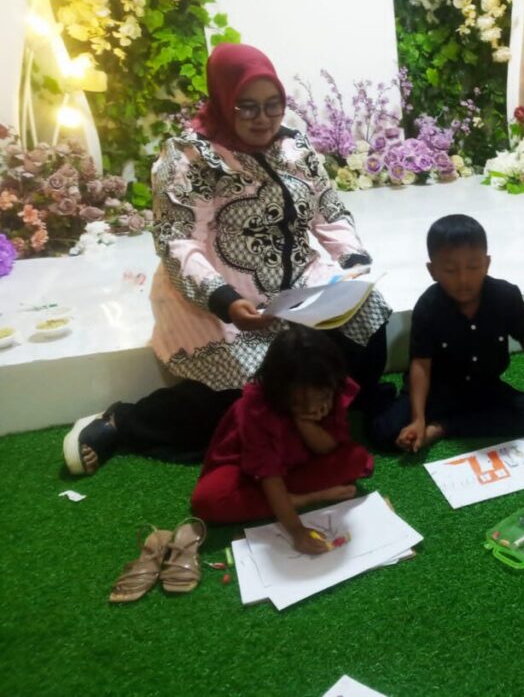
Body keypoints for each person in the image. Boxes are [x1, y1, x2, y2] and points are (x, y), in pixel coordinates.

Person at [63, 43, 390, 476]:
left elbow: (328, 209)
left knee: (368, 328)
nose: (263, 118)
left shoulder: (294, 146)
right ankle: (123, 422)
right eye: (247, 106)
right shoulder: (190, 158)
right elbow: (178, 241)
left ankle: (321, 416)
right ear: (222, 100)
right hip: (225, 293)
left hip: (301, 281)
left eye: (273, 105)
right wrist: (225, 300)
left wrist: (351, 262)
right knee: (241, 396)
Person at [371, 214, 524, 451]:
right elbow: (421, 366)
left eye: (473, 266)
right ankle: (394, 400)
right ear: (432, 270)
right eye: (450, 270)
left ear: (487, 264)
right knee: (384, 433)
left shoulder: (505, 296)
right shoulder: (428, 306)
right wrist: (418, 418)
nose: (463, 279)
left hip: (484, 386)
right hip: (437, 390)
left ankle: (442, 428)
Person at [191, 327, 373, 554]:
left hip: (300, 462)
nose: (312, 407)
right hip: (251, 470)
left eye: (321, 398)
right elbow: (269, 476)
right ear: (279, 391)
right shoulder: (256, 407)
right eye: (299, 402)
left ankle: (285, 500)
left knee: (355, 459)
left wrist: (304, 422)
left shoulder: (328, 384)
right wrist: (297, 528)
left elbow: (327, 448)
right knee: (207, 501)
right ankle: (299, 499)